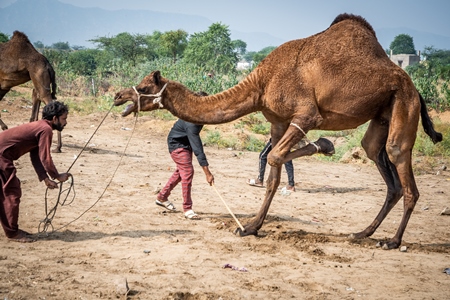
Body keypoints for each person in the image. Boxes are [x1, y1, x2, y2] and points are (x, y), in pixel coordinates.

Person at [0, 101, 71, 243]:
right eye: (64, 119)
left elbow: (35, 155)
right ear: (55, 118)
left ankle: (12, 230)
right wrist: (57, 176)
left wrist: (45, 178)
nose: (65, 122)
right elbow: (45, 157)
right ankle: (12, 233)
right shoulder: (46, 129)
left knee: (8, 192)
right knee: (12, 192)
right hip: (2, 156)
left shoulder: (39, 127)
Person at [156, 93, 214, 220]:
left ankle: (162, 197)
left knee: (180, 172)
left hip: (185, 142)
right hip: (176, 144)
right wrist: (207, 173)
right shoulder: (191, 121)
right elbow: (198, 147)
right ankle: (187, 208)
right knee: (187, 171)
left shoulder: (199, 115)